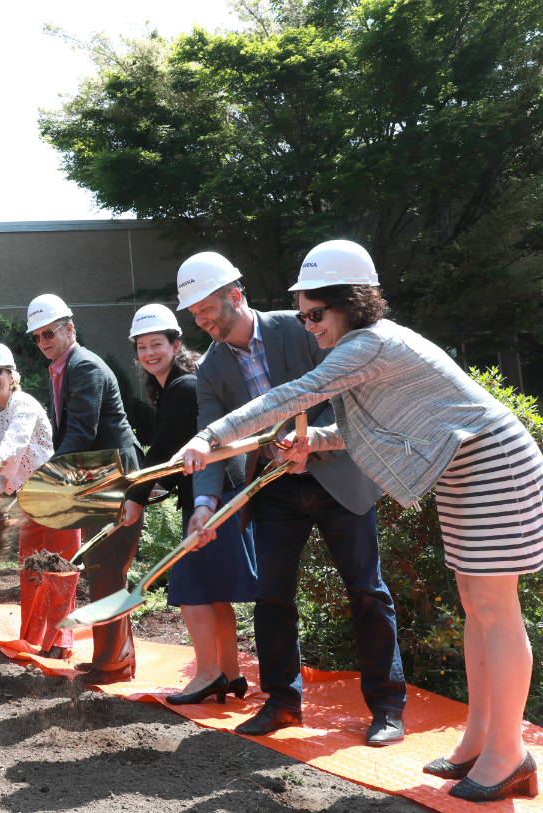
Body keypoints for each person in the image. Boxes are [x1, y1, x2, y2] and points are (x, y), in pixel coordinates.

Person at [177, 240, 541, 801]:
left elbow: (295, 393)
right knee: (476, 607)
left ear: (349, 301)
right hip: (463, 465)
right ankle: (480, 740)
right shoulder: (364, 346)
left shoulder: (367, 344)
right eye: (303, 315)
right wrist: (311, 441)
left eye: (316, 314)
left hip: (493, 463)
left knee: (496, 608)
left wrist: (210, 436)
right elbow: (369, 427)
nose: (308, 325)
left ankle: (509, 754)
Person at [175, 251, 407, 745]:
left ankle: (387, 708)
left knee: (366, 590)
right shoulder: (213, 367)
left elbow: (350, 393)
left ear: (235, 296)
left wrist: (315, 440)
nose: (201, 320)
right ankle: (282, 703)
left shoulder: (301, 327)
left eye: (206, 308)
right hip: (276, 486)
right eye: (193, 314)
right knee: (272, 595)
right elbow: (209, 440)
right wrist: (203, 506)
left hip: (337, 475)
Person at [118, 304, 257, 704]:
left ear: (175, 344)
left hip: (212, 496)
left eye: (157, 344)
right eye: (142, 347)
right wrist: (161, 488)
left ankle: (209, 673)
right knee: (215, 591)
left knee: (192, 587)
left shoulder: (182, 387)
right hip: (223, 491)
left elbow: (163, 449)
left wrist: (136, 496)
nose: (149, 354)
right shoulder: (176, 387)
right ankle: (230, 673)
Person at [26, 294, 144, 685]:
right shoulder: (65, 367)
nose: (43, 340)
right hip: (98, 475)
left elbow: (80, 434)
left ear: (70, 328)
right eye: (37, 336)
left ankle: (111, 665)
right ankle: (114, 658)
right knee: (100, 567)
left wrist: (47, 480)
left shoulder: (85, 367)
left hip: (115, 475)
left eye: (49, 332)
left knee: (108, 569)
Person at [0, 342, 80, 659]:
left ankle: (61, 642)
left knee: (57, 567)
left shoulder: (24, 404)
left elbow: (15, 442)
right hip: (29, 497)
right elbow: (11, 468)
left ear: (12, 375)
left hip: (56, 489)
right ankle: (34, 638)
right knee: (30, 567)